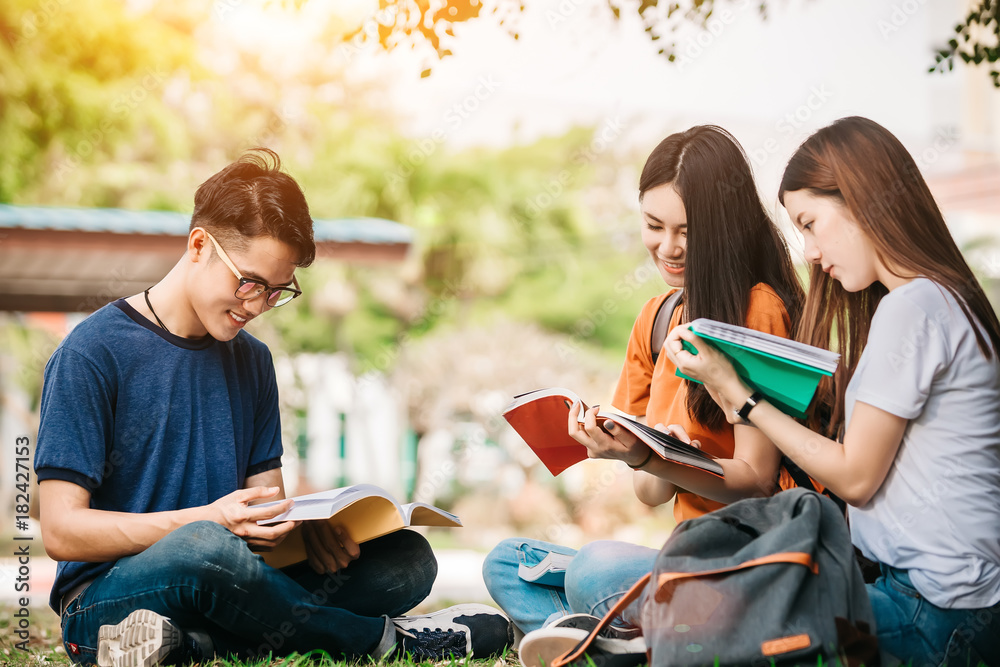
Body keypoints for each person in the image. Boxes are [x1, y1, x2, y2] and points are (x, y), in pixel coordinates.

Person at [34, 149, 512, 667]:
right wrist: (207, 521)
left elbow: (265, 520)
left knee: (406, 562)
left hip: (232, 580)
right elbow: (62, 531)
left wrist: (312, 535)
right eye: (250, 283)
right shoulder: (91, 352)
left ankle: (193, 646)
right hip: (106, 602)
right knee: (206, 550)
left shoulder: (253, 362)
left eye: (276, 292)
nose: (257, 306)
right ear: (199, 245)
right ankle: (389, 643)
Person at [665, 116, 1000, 665]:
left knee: (703, 625)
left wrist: (742, 395)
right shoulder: (943, 299)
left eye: (811, 223)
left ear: (862, 200)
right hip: (936, 599)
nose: (810, 252)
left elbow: (856, 477)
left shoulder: (914, 308)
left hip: (936, 613)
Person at [483, 126, 803, 662]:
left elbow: (758, 483)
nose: (669, 247)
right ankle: (623, 643)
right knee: (505, 561)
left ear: (724, 230)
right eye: (654, 226)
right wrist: (642, 454)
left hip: (746, 564)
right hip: (682, 557)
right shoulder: (655, 320)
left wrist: (683, 459)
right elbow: (650, 496)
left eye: (687, 231)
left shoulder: (759, 310)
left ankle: (610, 640)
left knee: (594, 570)